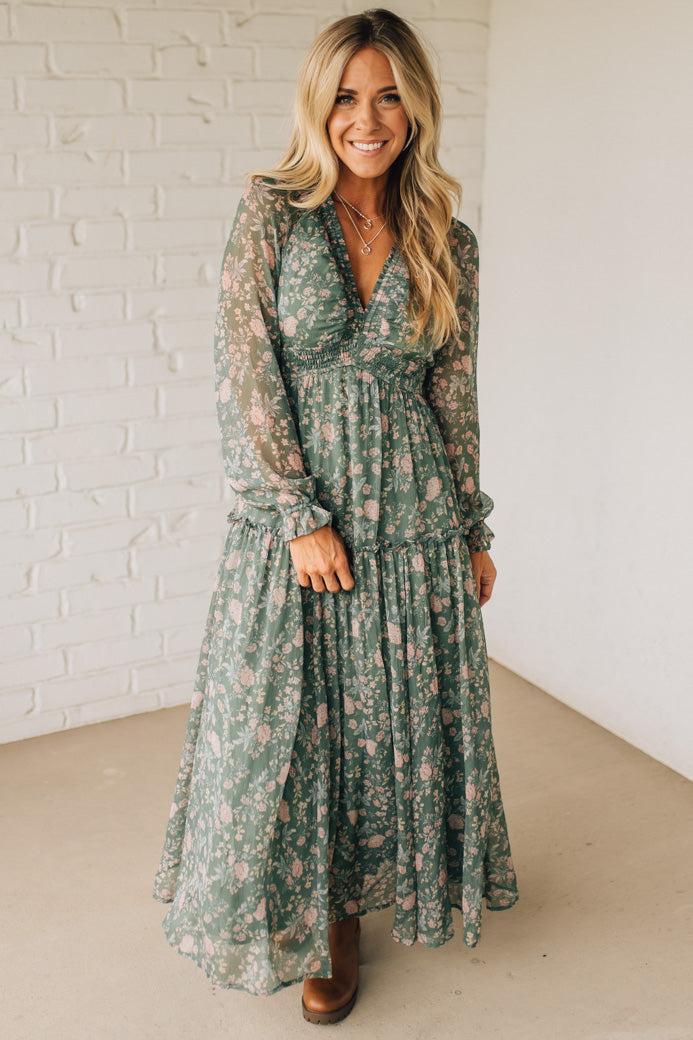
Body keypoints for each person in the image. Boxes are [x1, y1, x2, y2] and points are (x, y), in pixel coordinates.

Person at [152, 7, 518, 1023]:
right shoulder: (275, 212)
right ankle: (322, 920)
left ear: (418, 108)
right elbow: (245, 374)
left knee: (387, 717)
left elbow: (455, 392)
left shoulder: (452, 238)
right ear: (319, 104)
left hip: (416, 512)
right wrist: (296, 512)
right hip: (306, 517)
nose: (370, 117)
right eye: (349, 95)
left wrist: (474, 530)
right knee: (298, 723)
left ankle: (364, 899)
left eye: (391, 94)